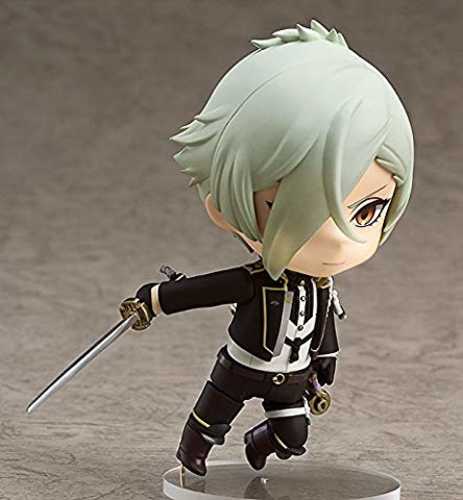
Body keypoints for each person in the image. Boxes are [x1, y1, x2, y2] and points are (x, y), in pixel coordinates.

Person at [132, 19, 414, 476]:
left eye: (366, 212)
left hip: (293, 374)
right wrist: (157, 299)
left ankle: (261, 442)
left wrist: (326, 357)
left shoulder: (323, 286)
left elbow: (324, 323)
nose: (337, 237)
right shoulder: (252, 281)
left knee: (293, 437)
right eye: (301, 211)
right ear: (223, 207)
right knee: (212, 417)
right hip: (242, 366)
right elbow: (203, 290)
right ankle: (192, 452)